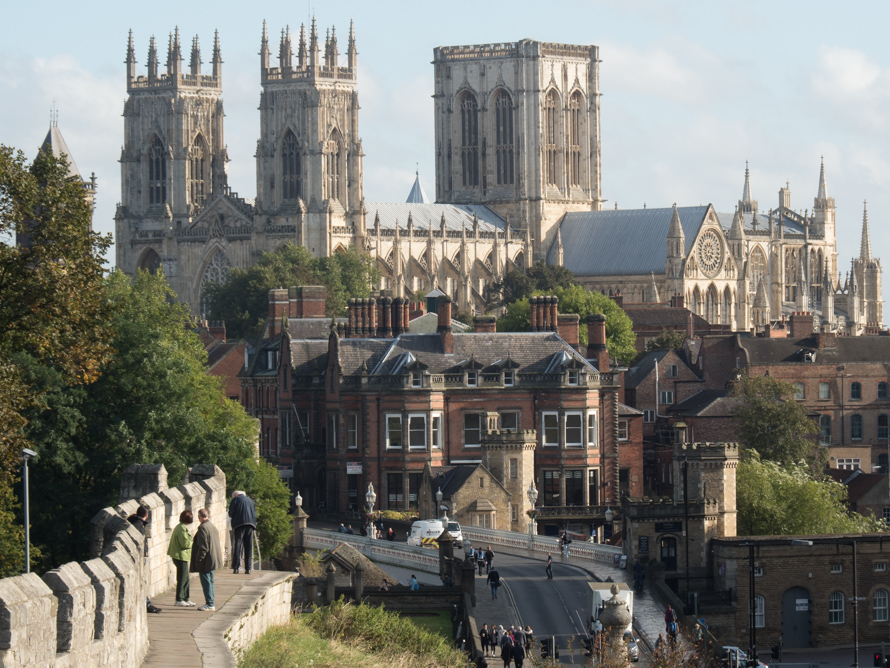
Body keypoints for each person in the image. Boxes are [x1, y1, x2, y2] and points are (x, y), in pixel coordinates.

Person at [128, 505, 162, 614]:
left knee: (142, 581)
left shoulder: (135, 523)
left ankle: (147, 604)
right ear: (146, 515)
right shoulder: (138, 525)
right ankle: (147, 605)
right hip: (139, 557)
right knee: (142, 580)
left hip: (139, 556)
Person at [190, 508, 223, 611]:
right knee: (210, 581)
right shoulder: (212, 526)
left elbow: (203, 547)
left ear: (199, 517)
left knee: (206, 582)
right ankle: (211, 602)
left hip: (206, 560)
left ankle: (210, 603)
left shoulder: (203, 528)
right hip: (213, 558)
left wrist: (198, 559)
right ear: (207, 515)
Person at [167, 509, 194, 607]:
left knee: (186, 578)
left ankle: (186, 598)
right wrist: (193, 541)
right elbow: (185, 544)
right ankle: (179, 599)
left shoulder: (181, 527)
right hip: (180, 556)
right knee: (182, 578)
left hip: (183, 556)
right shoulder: (182, 529)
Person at [229, 490, 257, 575]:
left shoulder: (236, 500)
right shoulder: (251, 501)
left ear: (235, 496)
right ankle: (248, 569)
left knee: (238, 545)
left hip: (239, 524)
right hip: (251, 525)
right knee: (248, 546)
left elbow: (230, 513)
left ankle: (236, 567)